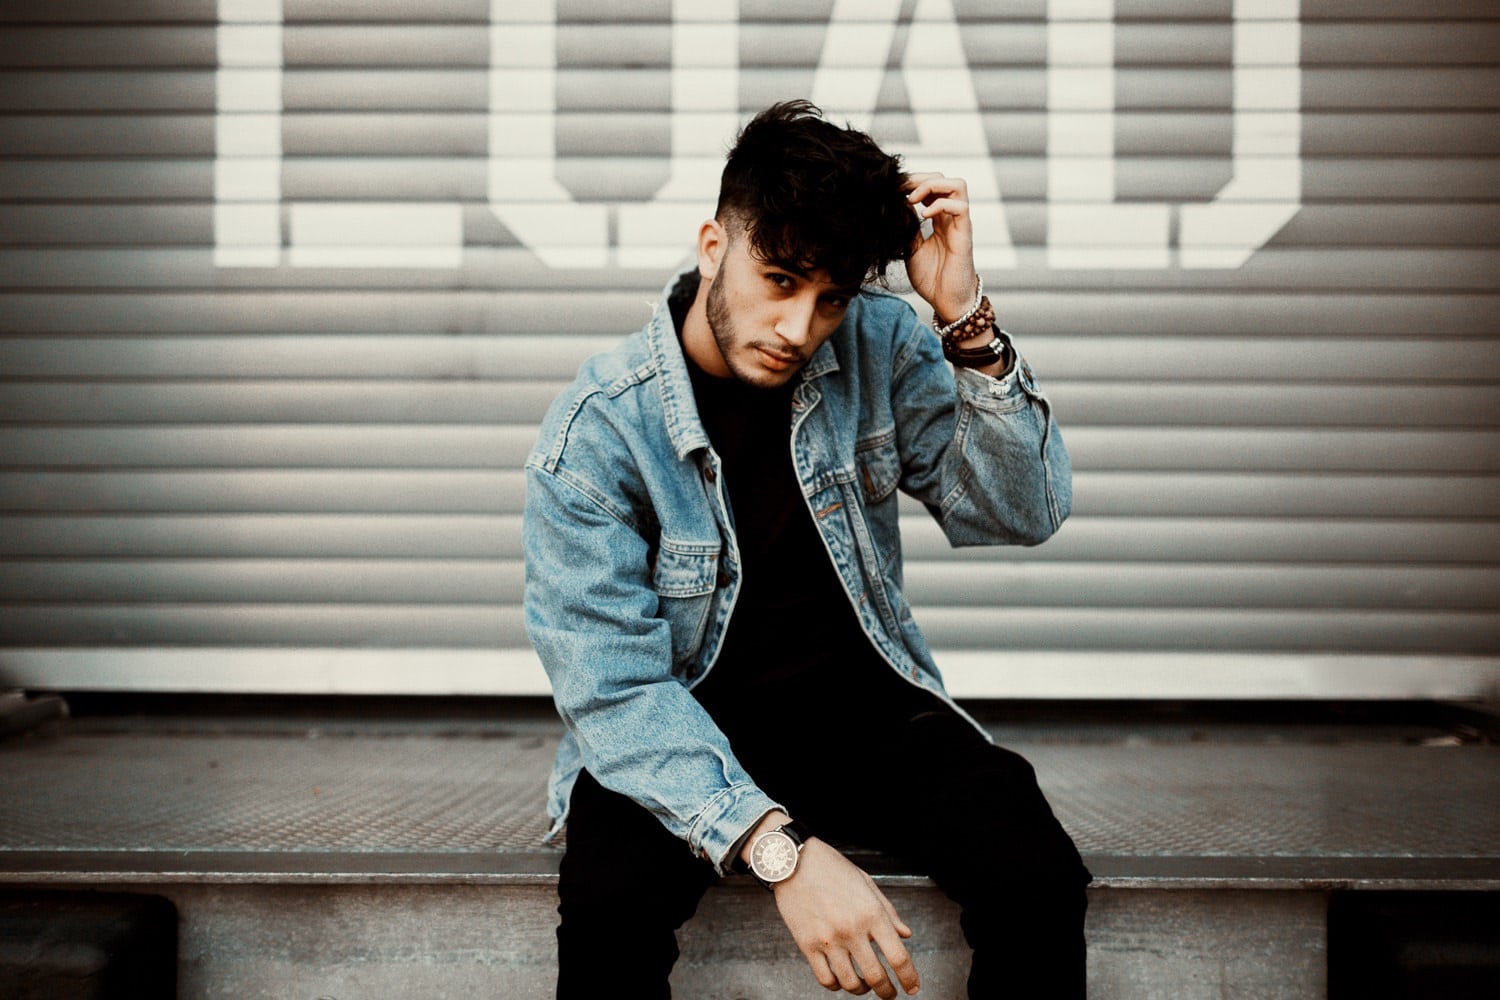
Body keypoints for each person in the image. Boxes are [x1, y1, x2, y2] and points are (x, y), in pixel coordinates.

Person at [523, 99, 1090, 999]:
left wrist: (965, 321)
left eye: (831, 298)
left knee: (1036, 874)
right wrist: (777, 848)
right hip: (686, 729)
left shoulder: (882, 340)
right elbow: (613, 692)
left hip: (867, 719)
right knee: (608, 906)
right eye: (780, 280)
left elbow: (1021, 511)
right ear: (714, 246)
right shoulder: (598, 432)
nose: (799, 327)